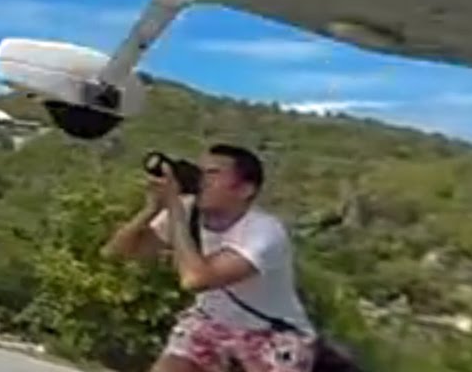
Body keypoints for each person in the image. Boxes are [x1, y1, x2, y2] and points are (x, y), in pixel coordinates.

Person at [101, 143, 319, 372]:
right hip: (210, 321)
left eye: (213, 173)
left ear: (245, 190)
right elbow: (116, 252)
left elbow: (195, 279)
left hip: (270, 331)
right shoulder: (187, 211)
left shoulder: (264, 232)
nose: (201, 180)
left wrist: (174, 208)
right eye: (200, 171)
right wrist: (152, 208)